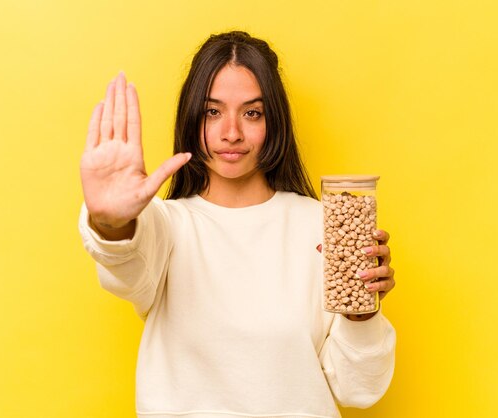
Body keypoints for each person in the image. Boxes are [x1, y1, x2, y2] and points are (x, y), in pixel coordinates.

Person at [79, 31, 396, 418]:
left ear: (273, 121)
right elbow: (125, 266)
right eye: (213, 112)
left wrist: (360, 313)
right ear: (193, 117)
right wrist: (112, 222)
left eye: (251, 113)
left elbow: (355, 388)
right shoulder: (166, 225)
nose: (231, 132)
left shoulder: (322, 224)